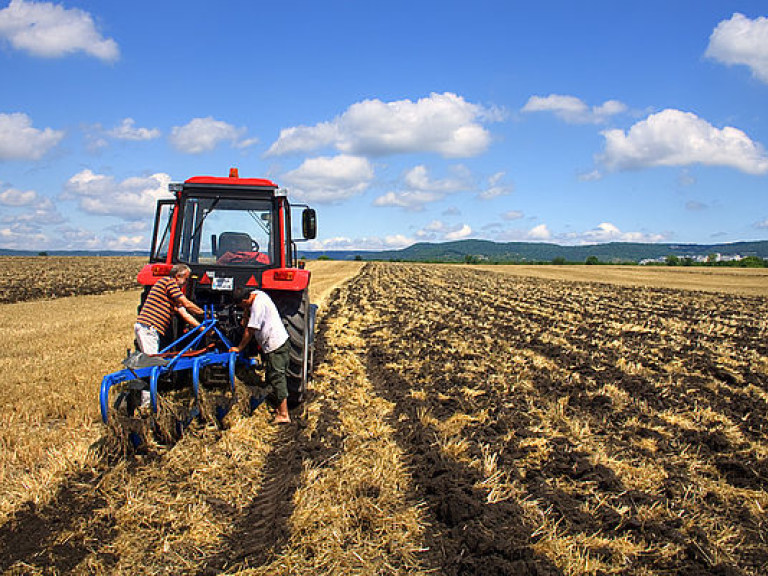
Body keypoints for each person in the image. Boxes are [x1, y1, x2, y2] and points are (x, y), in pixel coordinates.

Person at [230, 287, 291, 424]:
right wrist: (245, 314)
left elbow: (250, 331)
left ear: (246, 299)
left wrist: (239, 348)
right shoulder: (257, 294)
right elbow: (248, 307)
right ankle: (277, 406)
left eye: (242, 305)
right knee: (271, 375)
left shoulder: (258, 306)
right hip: (274, 344)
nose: (243, 308)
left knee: (277, 377)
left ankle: (283, 414)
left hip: (275, 345)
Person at [134, 264, 205, 355]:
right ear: (178, 276)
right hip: (149, 327)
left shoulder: (172, 293)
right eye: (186, 279)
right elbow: (186, 303)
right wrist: (204, 313)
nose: (186, 283)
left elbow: (184, 314)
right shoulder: (169, 282)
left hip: (148, 328)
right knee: (152, 361)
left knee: (150, 358)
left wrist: (202, 328)